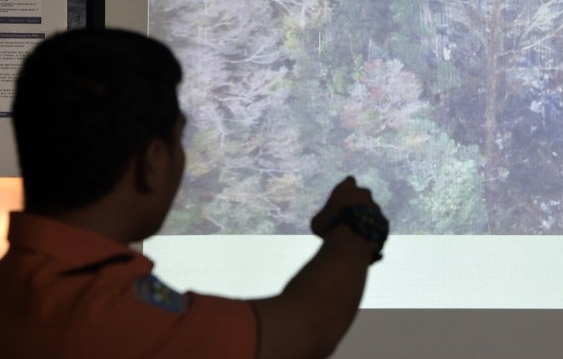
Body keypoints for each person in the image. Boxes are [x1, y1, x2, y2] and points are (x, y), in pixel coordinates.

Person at [0, 28, 389, 358]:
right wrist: (355, 223)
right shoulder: (105, 316)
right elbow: (307, 328)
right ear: (152, 162)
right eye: (177, 138)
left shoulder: (22, 283)